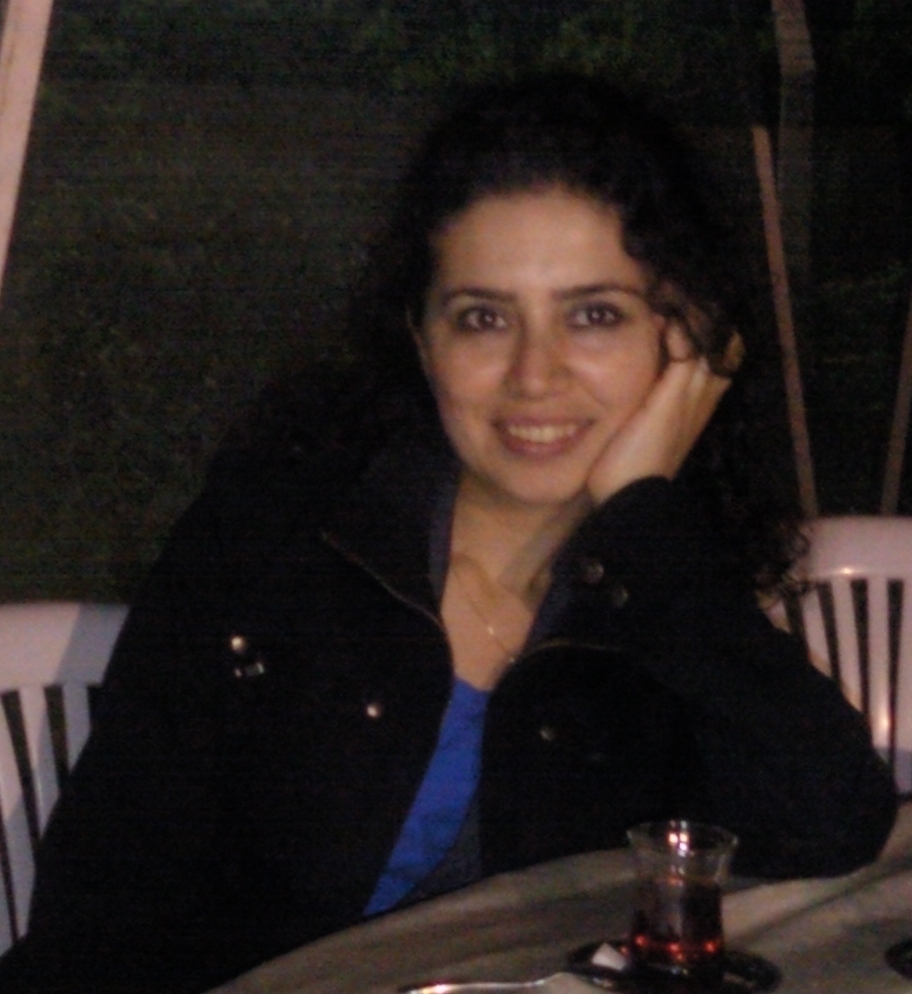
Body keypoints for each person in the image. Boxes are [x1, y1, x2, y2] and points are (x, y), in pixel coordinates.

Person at [0, 72, 897, 994]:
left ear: (685, 342)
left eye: (594, 315)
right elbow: (99, 920)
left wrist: (646, 517)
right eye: (483, 318)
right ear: (423, 341)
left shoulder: (659, 587)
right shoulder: (275, 542)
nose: (535, 375)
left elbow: (829, 829)